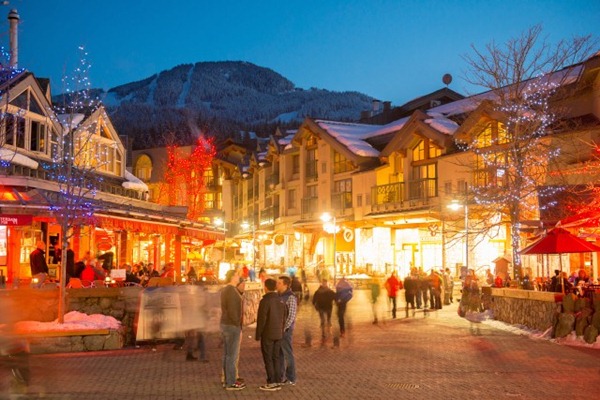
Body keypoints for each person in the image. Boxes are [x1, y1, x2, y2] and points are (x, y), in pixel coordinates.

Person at [255, 278, 285, 392]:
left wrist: (258, 334)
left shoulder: (265, 301)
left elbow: (262, 319)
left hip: (268, 333)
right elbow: (285, 317)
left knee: (268, 358)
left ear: (266, 287)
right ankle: (277, 380)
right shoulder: (280, 300)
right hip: (278, 333)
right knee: (276, 357)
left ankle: (271, 382)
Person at [220, 269, 245, 391]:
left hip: (226, 324)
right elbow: (233, 311)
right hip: (231, 325)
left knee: (227, 354)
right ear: (232, 277)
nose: (238, 277)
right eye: (237, 275)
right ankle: (230, 382)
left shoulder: (226, 290)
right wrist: (237, 325)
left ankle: (227, 380)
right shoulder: (231, 291)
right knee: (232, 355)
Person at [277, 275, 297, 386]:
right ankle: (281, 376)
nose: (277, 285)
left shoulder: (290, 297)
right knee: (279, 353)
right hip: (279, 330)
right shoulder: (279, 296)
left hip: (285, 331)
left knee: (288, 354)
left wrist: (285, 329)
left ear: (285, 284)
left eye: (279, 283)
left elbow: (292, 315)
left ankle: (291, 378)